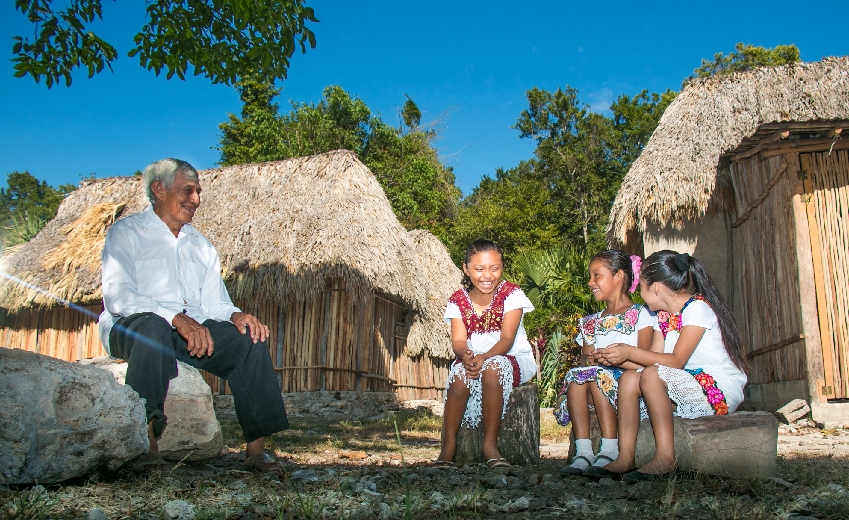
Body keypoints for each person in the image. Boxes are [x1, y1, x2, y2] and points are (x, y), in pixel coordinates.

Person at [98, 158, 289, 473]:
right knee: (152, 327)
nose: (197, 200)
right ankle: (147, 447)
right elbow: (119, 298)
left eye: (199, 191)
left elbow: (215, 304)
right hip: (132, 327)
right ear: (159, 189)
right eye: (188, 190)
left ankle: (256, 453)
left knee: (249, 340)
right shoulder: (127, 232)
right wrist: (174, 317)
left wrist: (236, 315)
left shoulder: (200, 245)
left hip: (189, 332)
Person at [592, 250, 748, 482]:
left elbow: (675, 361)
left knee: (651, 375)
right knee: (630, 378)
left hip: (717, 387)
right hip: (685, 381)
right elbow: (653, 357)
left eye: (642, 289)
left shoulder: (697, 308)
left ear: (655, 288)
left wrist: (629, 351)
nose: (641, 297)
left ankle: (665, 458)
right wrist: (617, 358)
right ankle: (625, 456)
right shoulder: (663, 317)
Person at [435, 239, 536, 468]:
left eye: (494, 268)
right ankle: (448, 446)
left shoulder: (512, 295)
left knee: (492, 369)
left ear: (502, 267)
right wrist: (466, 355)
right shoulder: (458, 301)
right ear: (466, 268)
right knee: (459, 375)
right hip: (476, 359)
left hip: (511, 357)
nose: (487, 275)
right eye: (479, 269)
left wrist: (485, 357)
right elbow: (458, 340)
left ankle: (489, 444)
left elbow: (507, 339)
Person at [554, 250, 655, 477]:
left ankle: (610, 449)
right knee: (580, 377)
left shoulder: (642, 315)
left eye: (596, 275)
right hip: (595, 385)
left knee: (598, 375)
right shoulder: (591, 322)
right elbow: (585, 360)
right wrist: (593, 359)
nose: (590, 282)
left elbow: (647, 359)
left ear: (619, 276)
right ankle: (584, 452)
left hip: (630, 389)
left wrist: (611, 362)